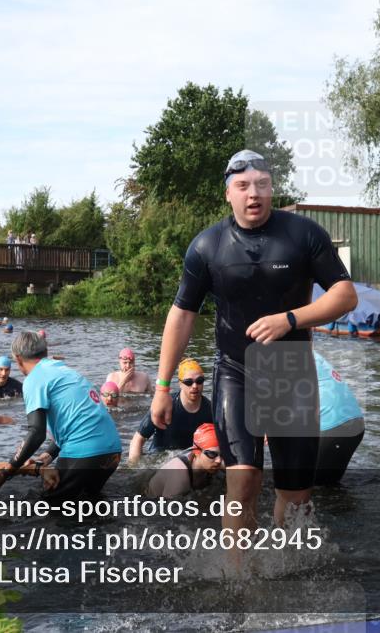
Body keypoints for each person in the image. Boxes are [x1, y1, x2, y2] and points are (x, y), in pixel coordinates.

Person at [150, 149, 357, 533]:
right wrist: (162, 387)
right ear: (228, 193)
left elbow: (345, 295)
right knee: (242, 480)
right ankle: (238, 582)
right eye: (243, 186)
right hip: (236, 371)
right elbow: (181, 315)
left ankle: (288, 567)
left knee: (296, 497)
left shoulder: (303, 234)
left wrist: (289, 319)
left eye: (261, 184)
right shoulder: (207, 246)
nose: (253, 194)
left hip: (290, 374)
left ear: (272, 189)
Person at [0, 331, 122, 502]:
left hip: (84, 452)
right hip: (113, 450)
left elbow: (36, 432)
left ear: (18, 359)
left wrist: (8, 471)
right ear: (45, 352)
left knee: (52, 511)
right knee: (89, 505)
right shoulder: (66, 371)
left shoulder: (34, 378)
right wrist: (48, 456)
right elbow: (77, 421)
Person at [129, 358, 212, 464]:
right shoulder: (165, 405)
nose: (195, 386)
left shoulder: (210, 409)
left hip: (189, 460)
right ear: (180, 384)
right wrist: (134, 467)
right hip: (159, 459)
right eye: (188, 382)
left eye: (199, 381)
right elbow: (138, 439)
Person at [312, 352, 365, 486]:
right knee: (328, 488)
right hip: (354, 423)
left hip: (333, 427)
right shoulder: (306, 352)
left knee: (308, 488)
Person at [147, 423, 223, 497]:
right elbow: (166, 508)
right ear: (197, 452)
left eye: (223, 454)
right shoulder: (179, 477)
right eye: (212, 454)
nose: (219, 460)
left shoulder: (214, 462)